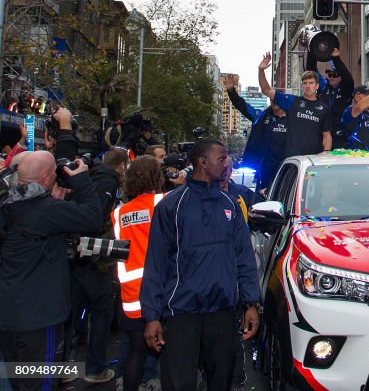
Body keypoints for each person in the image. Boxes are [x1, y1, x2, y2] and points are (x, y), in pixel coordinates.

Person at [140, 141, 260, 391]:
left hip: (222, 313)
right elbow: (155, 263)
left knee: (222, 382)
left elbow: (244, 258)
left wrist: (251, 303)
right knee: (179, 384)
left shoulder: (231, 205)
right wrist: (152, 316)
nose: (228, 164)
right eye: (222, 158)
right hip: (182, 314)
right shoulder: (171, 206)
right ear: (202, 162)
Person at [0, 152, 101, 391]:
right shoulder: (45, 211)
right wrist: (82, 181)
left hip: (9, 315)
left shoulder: (9, 205)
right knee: (40, 384)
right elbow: (93, 217)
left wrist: (54, 202)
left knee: (17, 380)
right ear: (46, 178)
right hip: (39, 317)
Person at [64, 147, 128, 384]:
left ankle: (62, 370)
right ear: (121, 166)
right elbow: (93, 218)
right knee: (102, 310)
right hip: (91, 258)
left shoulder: (90, 178)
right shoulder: (107, 184)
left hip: (75, 255)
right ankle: (94, 369)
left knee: (69, 314)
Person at [112, 156, 165, 391]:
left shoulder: (119, 213)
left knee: (136, 350)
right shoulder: (163, 201)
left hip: (131, 294)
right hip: (161, 290)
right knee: (173, 351)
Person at [258, 53, 332, 158]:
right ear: (302, 86)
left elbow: (327, 135)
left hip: (313, 160)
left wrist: (326, 153)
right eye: (305, 83)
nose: (308, 86)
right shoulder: (292, 101)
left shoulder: (324, 109)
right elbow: (267, 90)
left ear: (317, 86)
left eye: (311, 83)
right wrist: (261, 70)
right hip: (293, 159)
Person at [225, 74, 287, 192]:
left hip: (284, 169)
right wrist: (231, 90)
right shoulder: (260, 116)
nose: (274, 101)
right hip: (263, 169)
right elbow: (242, 106)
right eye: (271, 98)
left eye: (276, 98)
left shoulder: (292, 120)